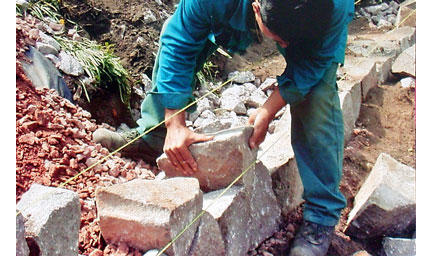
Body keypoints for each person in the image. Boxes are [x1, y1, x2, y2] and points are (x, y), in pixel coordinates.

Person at [93, 0, 354, 255]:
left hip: (312, 27)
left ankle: (321, 215)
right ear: (256, 8)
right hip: (229, 8)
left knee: (317, 93)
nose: (283, 47)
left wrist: (268, 109)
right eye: (281, 39)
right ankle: (157, 136)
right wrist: (174, 120)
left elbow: (313, 66)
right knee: (178, 36)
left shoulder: (334, 7)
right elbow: (180, 39)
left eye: (287, 42)